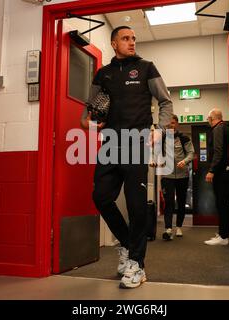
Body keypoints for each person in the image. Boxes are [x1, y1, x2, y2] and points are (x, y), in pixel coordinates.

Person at [80, 26, 173, 288]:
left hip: (137, 142)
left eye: (134, 38)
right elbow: (88, 113)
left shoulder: (146, 67)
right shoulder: (103, 74)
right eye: (125, 38)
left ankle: (137, 264)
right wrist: (90, 123)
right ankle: (127, 244)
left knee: (136, 205)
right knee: (100, 197)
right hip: (110, 143)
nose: (132, 42)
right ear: (113, 43)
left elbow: (166, 101)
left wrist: (161, 128)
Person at [161, 115, 194, 240]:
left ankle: (179, 226)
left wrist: (185, 161)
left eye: (173, 123)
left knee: (181, 202)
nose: (171, 125)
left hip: (182, 175)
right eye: (169, 124)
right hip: (167, 175)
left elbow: (191, 153)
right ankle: (168, 228)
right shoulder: (163, 138)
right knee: (168, 201)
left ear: (177, 124)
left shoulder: (184, 138)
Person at [204, 108, 229, 246]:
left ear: (211, 118)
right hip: (225, 171)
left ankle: (224, 236)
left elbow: (218, 152)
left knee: (222, 203)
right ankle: (223, 233)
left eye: (208, 118)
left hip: (221, 173)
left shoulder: (218, 129)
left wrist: (211, 170)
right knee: (223, 203)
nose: (208, 121)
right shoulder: (224, 127)